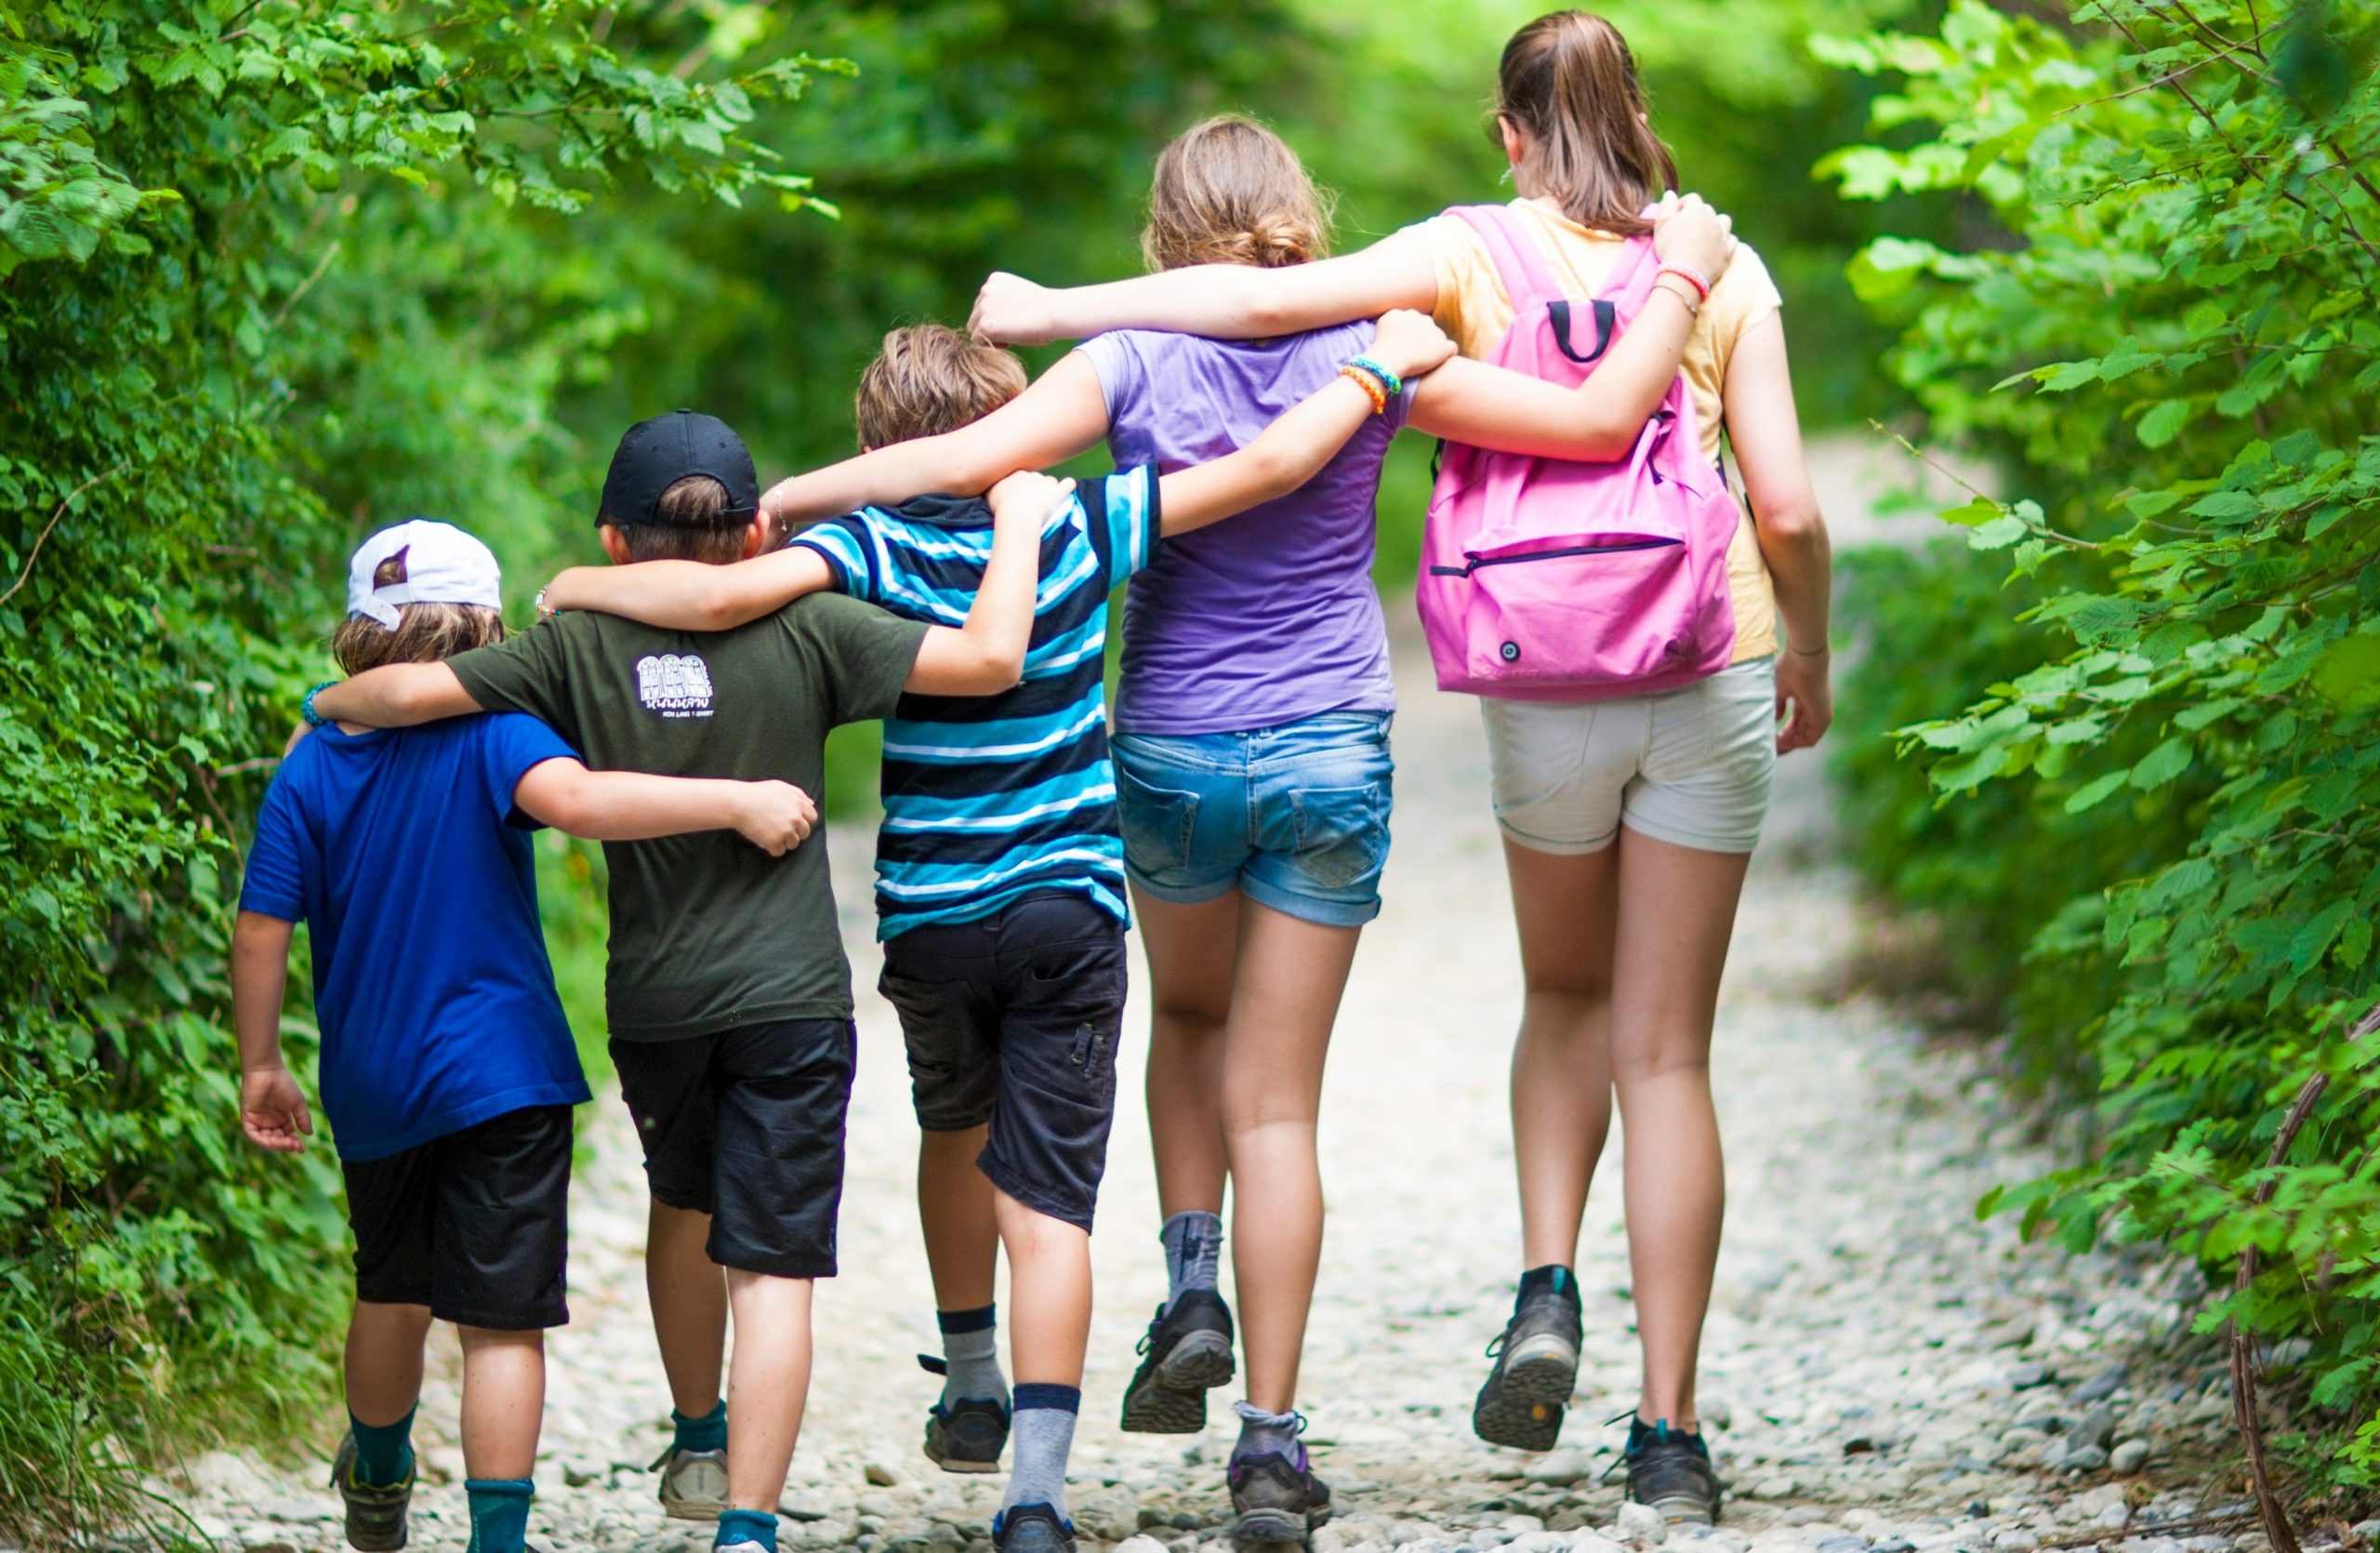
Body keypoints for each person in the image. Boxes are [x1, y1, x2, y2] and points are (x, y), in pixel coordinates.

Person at [734, 113, 1737, 1544]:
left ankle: (1187, 1279)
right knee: (1281, 1101)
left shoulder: (1126, 360)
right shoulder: (1384, 342)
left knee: (1188, 1032)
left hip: (1174, 749)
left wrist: (782, 502)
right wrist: (1677, 289)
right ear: (1300, 219)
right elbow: (1585, 424)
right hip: (1333, 744)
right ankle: (1270, 1443)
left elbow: (950, 466)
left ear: (1163, 238)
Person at [965, 14, 1837, 1528]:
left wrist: (1049, 306)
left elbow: (1252, 308)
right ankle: (1668, 1437)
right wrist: (1808, 652)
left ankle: (1531, 1284)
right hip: (1704, 663)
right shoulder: (1718, 269)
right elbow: (1792, 508)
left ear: (1509, 131)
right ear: (1638, 115)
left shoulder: (1464, 255)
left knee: (1541, 1000)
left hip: (1525, 676)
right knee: (1667, 1057)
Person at [537, 310, 1461, 1553]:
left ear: (883, 442)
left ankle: (966, 1368)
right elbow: (1259, 472)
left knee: (952, 1130)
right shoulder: (1077, 518)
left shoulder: (862, 543)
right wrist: (1368, 367)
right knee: (1052, 1202)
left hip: (932, 909)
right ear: (1013, 426)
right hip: (1065, 905)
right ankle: (1035, 1492)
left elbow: (722, 598)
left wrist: (573, 588)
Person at [306, 414, 1053, 1553]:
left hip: (657, 1002)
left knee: (682, 1202)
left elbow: (404, 698)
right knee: (777, 1268)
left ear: (613, 538)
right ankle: (747, 1525)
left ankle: (697, 1431)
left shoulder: (573, 648)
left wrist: (325, 708)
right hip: (794, 997)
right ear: (757, 528)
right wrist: (1018, 523)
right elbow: (992, 658)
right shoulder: (814, 622)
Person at [232, 520, 820, 1553]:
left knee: (389, 1287)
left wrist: (262, 1062)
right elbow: (586, 804)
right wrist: (733, 798)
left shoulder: (309, 765)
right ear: (484, 625)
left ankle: (376, 1470)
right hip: (505, 1073)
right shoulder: (497, 730)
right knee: (500, 1321)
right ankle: (495, 1541)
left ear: (359, 631)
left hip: (376, 1081)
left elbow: (260, 927)